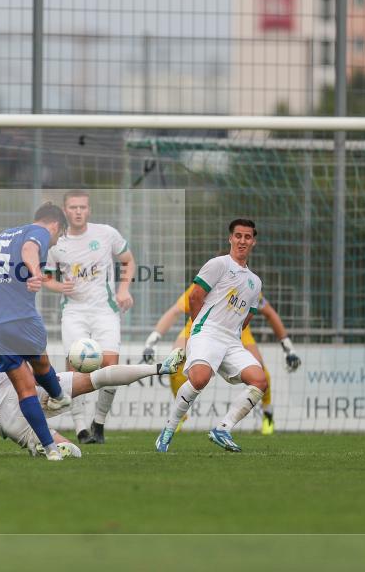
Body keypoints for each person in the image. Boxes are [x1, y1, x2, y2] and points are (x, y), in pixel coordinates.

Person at [0, 321, 172, 457]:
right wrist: (34, 372)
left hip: (7, 420)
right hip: (24, 388)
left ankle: (41, 447)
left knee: (73, 454)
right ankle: (158, 367)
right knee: (96, 378)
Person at [154, 219, 267, 453]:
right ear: (230, 239)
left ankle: (223, 429)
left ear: (253, 242)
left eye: (247, 237)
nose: (242, 241)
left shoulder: (255, 282)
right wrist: (200, 328)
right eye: (238, 236)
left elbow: (248, 316)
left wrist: (234, 333)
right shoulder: (218, 264)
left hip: (232, 341)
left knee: (259, 380)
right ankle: (168, 430)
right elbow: (195, 297)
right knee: (199, 379)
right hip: (207, 331)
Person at [0, 202, 72, 461]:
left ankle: (51, 450)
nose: (54, 242)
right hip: (19, 317)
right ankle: (58, 395)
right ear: (56, 225)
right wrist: (35, 273)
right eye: (58, 236)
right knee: (41, 365)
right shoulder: (40, 232)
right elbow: (30, 248)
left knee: (25, 389)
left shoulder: (4, 234)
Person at [142, 287, 301, 434]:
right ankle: (179, 415)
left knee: (260, 372)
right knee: (174, 363)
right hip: (200, 327)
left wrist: (288, 348)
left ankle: (268, 414)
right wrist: (152, 340)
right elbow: (175, 311)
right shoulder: (207, 281)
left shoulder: (248, 285)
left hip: (235, 332)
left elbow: (270, 313)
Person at [43, 189, 135, 444]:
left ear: (89, 210)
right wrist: (59, 287)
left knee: (112, 367)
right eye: (73, 207)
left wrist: (124, 289)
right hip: (73, 313)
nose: (78, 212)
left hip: (105, 311)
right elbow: (46, 277)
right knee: (74, 372)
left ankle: (99, 423)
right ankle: (81, 428)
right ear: (65, 210)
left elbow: (128, 260)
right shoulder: (57, 242)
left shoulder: (106, 233)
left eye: (82, 207)